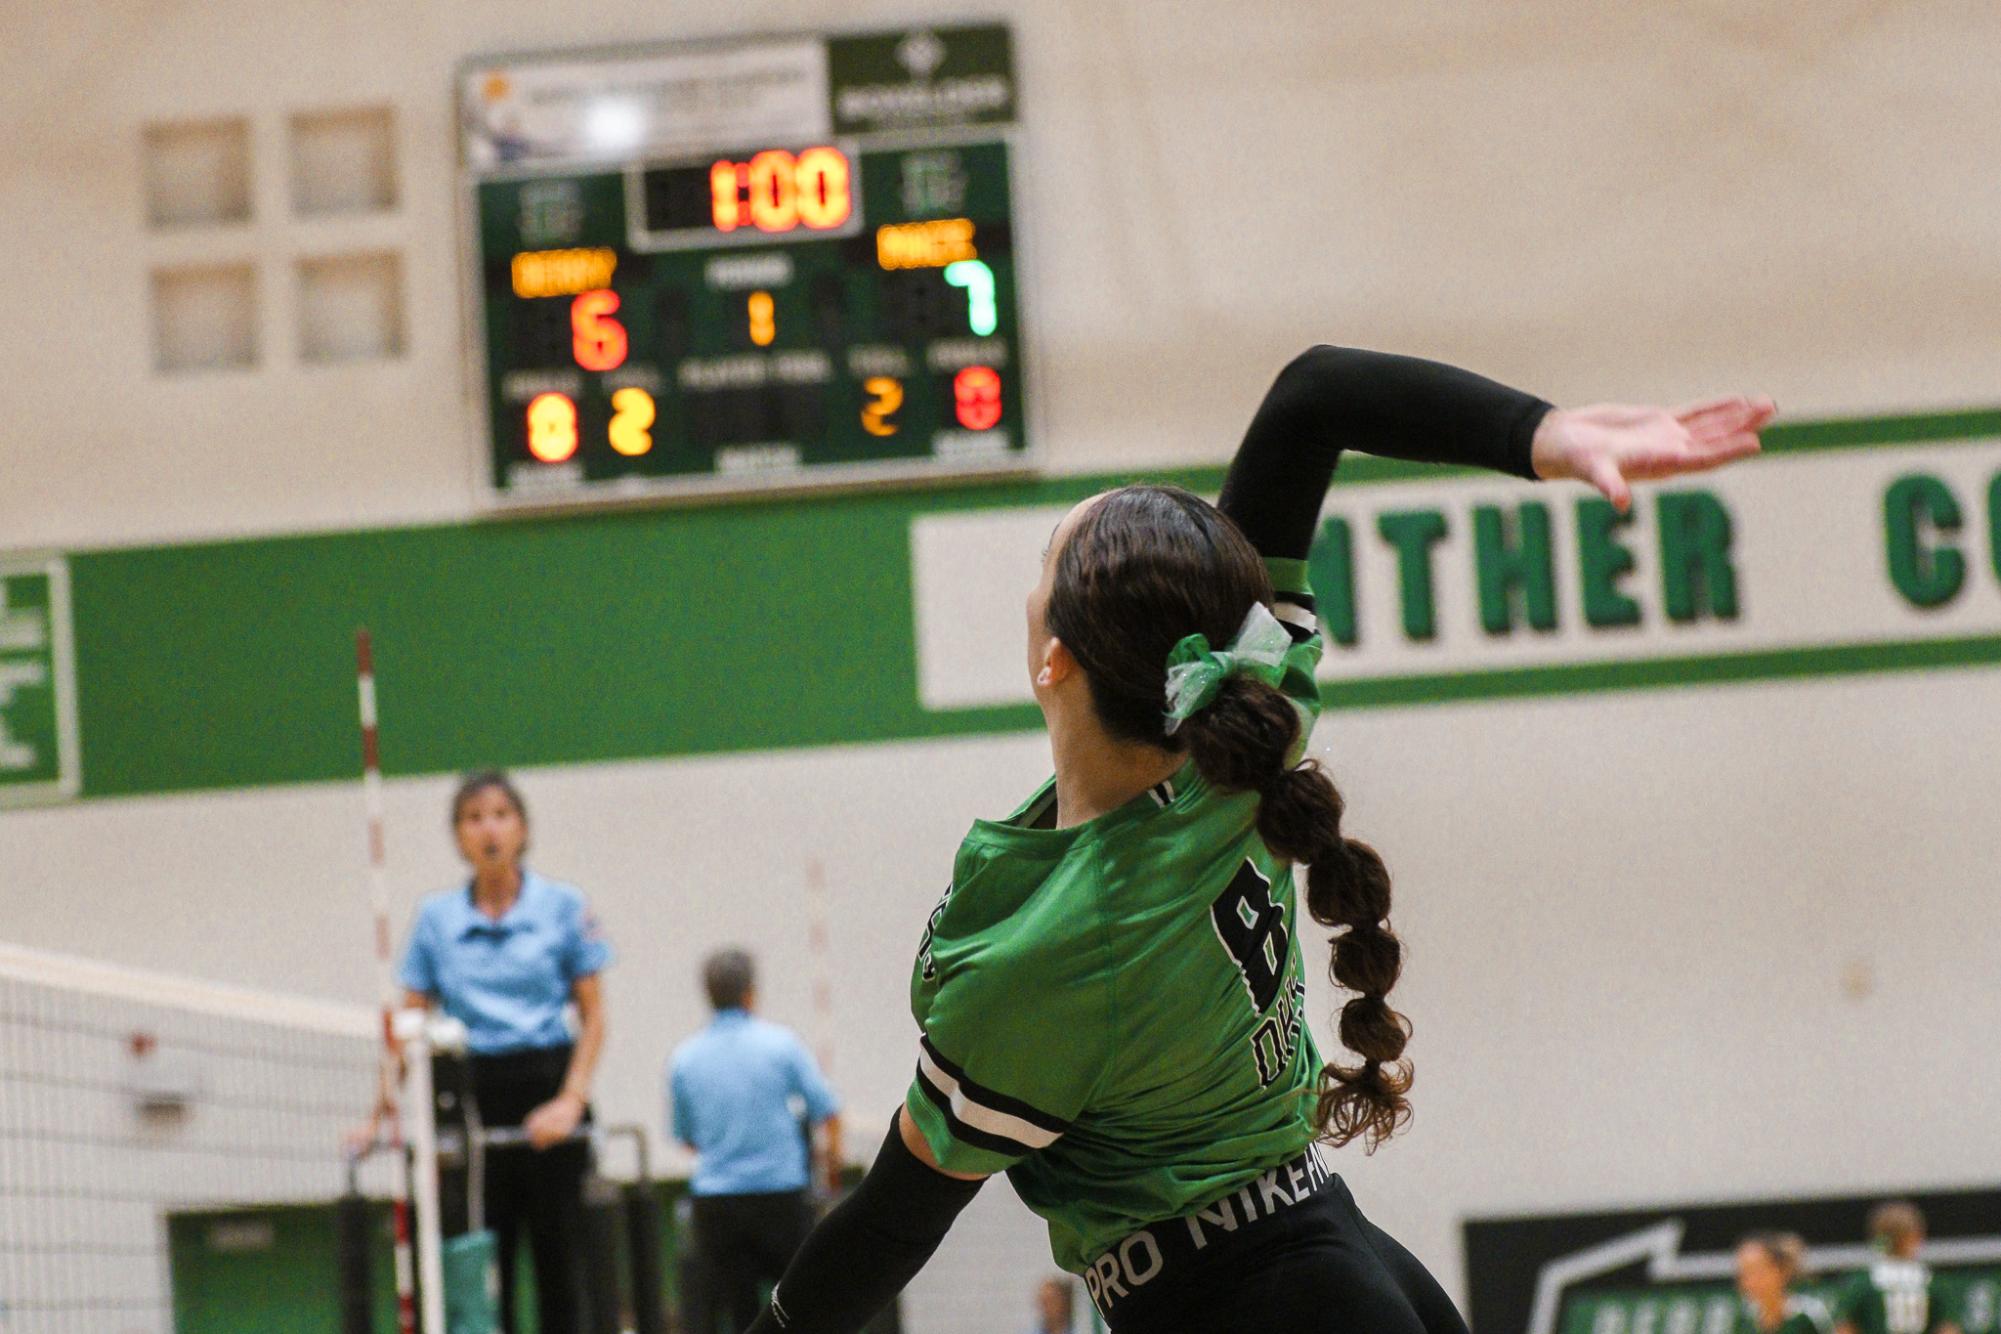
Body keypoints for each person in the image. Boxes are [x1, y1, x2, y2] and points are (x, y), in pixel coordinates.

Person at [738, 345, 1771, 1334]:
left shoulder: (1055, 951)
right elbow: (1315, 396)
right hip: (1340, 1261)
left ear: (1054, 658)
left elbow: (892, 1219)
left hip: (1242, 1301)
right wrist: (1539, 432)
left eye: (1039, 561)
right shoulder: (1241, 734)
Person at [383, 770, 612, 1334]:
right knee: (487, 1268)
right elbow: (405, 1027)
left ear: (523, 828)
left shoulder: (563, 906)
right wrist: (380, 1114)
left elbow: (595, 1016)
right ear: (459, 836)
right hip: (470, 1097)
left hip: (548, 1089)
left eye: (501, 814)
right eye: (473, 817)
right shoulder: (436, 919)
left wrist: (570, 1101)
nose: (489, 828)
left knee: (563, 1267)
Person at [671, 947, 843, 1334]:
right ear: (750, 992)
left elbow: (686, 1139)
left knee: (738, 1312)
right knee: (802, 1305)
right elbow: (828, 1112)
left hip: (716, 1202)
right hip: (779, 1196)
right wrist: (830, 1173)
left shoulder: (685, 1058)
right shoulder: (781, 1045)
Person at [1832, 1202, 1962, 1334]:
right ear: (1915, 1236)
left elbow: (1843, 1327)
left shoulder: (1863, 1281)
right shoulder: (1932, 1281)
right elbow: (1948, 1329)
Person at [1736, 1232, 1832, 1334]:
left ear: (1782, 1271)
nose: (1749, 1281)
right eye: (1744, 1273)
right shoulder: (1744, 1318)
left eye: (1757, 1271)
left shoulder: (1808, 1315)